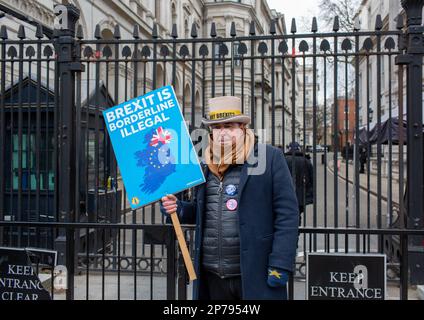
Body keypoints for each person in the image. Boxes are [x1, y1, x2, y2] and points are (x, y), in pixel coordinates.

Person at [161, 96, 299, 300]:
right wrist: (179, 209)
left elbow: (288, 215)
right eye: (217, 127)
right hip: (212, 277)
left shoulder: (270, 158)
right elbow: (203, 212)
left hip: (254, 275)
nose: (222, 132)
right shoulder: (205, 164)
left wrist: (280, 264)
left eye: (229, 126)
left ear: (242, 128)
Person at [284, 142, 313, 224]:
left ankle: (290, 231)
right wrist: (309, 194)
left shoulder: (284, 159)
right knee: (297, 214)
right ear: (299, 148)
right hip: (301, 195)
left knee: (286, 215)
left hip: (285, 194)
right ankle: (296, 229)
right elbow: (312, 179)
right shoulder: (306, 161)